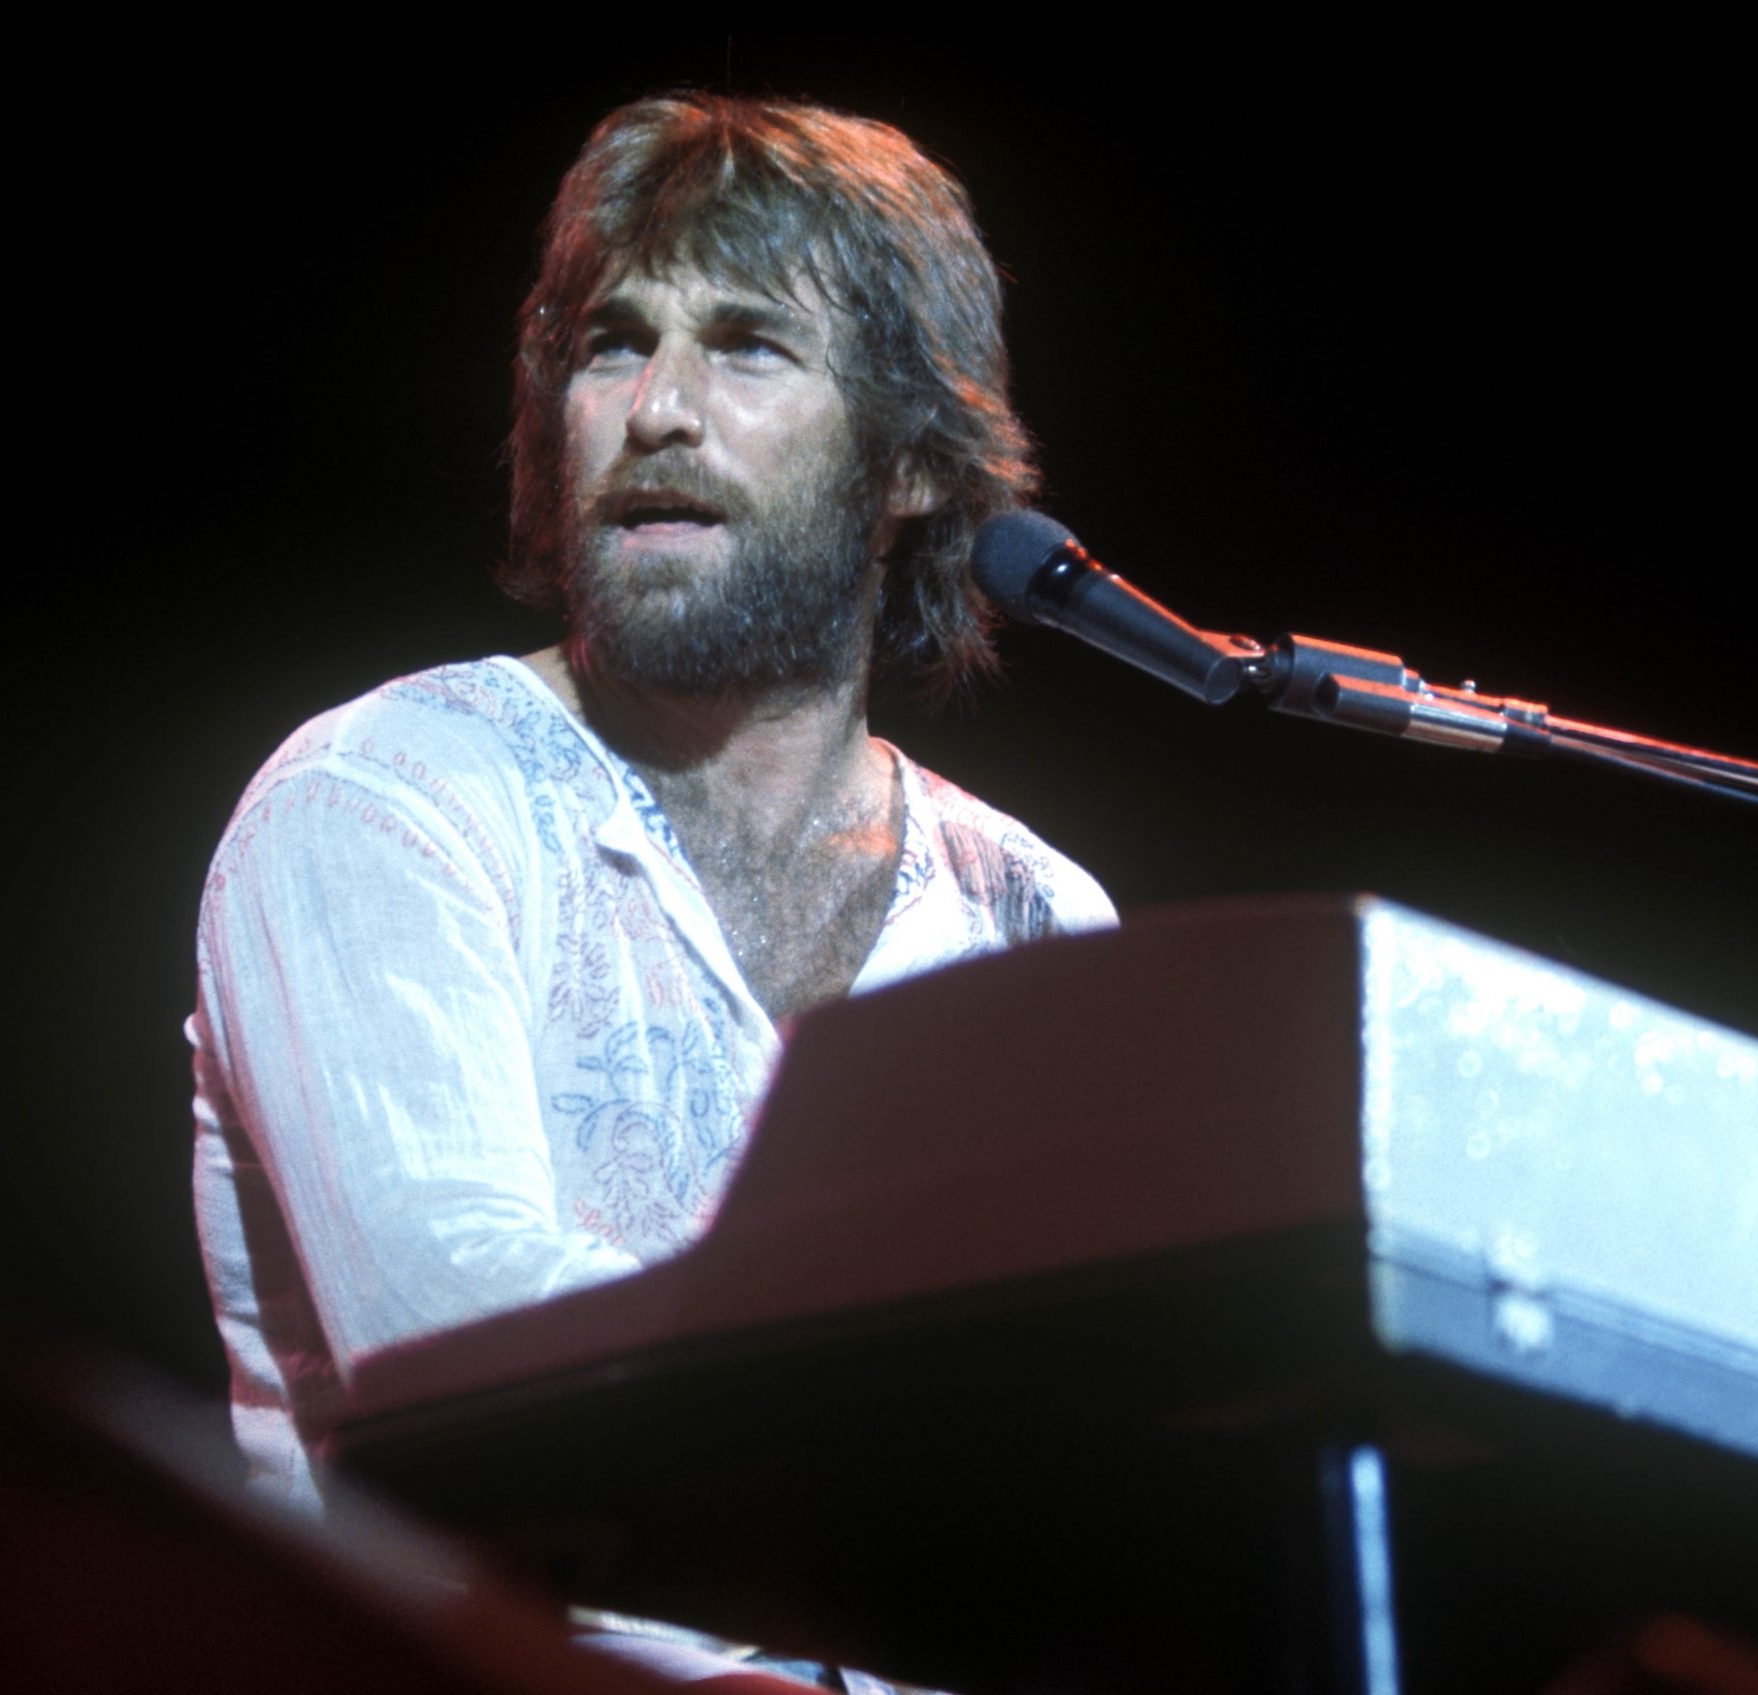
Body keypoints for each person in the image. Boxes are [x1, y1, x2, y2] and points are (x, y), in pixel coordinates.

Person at [189, 93, 1115, 1516]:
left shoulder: (1036, 917)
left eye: (748, 345)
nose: (658, 408)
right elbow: (475, 1354)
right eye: (614, 345)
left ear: (918, 463)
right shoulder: (385, 801)